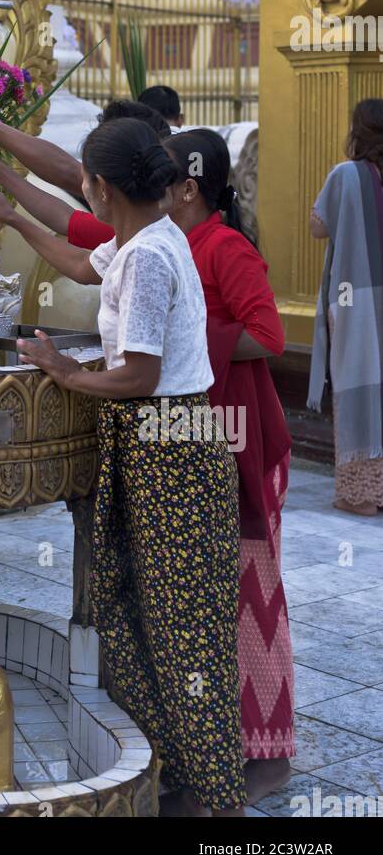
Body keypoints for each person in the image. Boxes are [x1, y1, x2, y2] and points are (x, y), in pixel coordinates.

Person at [0, 118, 245, 816]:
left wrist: (62, 369)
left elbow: (139, 375)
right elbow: (76, 262)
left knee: (183, 630)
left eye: (83, 179)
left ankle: (215, 800)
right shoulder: (138, 241)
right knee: (132, 616)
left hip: (170, 447)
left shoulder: (152, 256)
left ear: (99, 185)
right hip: (147, 445)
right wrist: (9, 213)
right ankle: (167, 779)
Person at [166, 129, 294, 802]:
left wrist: (189, 340)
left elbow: (269, 336)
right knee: (215, 600)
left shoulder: (224, 247)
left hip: (242, 440)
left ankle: (268, 755)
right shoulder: (174, 244)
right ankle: (219, 739)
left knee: (253, 600)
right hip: (202, 435)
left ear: (187, 186)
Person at [309, 98, 383, 516]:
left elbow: (318, 226)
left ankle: (360, 494)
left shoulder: (347, 175)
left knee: (358, 386)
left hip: (357, 303)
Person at [0, 96, 167, 207]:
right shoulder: (132, 220)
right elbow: (66, 220)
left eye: (91, 178)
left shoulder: (143, 241)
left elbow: (69, 174)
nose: (86, 185)